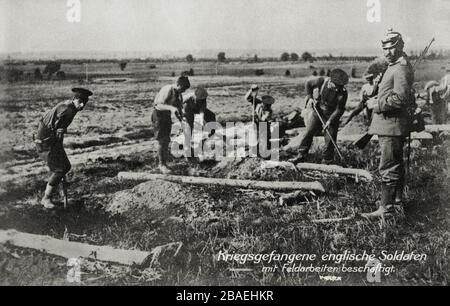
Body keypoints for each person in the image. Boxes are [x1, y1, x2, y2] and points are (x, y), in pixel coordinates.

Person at [363, 29, 415, 217]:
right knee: (395, 164)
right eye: (385, 48)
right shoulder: (395, 66)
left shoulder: (400, 68)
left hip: (392, 125)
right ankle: (397, 202)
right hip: (390, 124)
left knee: (388, 166)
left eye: (392, 47)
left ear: (400, 47)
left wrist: (377, 104)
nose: (388, 52)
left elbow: (400, 99)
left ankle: (386, 208)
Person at [35, 88, 93, 209]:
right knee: (60, 169)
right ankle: (46, 198)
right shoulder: (68, 110)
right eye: (80, 101)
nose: (82, 105)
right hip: (45, 142)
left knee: (66, 166)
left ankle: (59, 194)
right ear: (74, 99)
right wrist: (58, 144)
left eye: (84, 103)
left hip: (51, 140)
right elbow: (57, 130)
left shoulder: (67, 105)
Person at [288, 69, 349, 164]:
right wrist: (310, 97)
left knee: (330, 139)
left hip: (332, 115)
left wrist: (330, 121)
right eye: (336, 86)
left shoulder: (343, 93)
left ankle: (327, 161)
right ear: (331, 81)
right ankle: (301, 155)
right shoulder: (322, 81)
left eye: (340, 86)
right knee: (308, 132)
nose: (338, 89)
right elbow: (308, 83)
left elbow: (339, 110)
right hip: (318, 111)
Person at [151, 76, 190, 174]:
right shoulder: (168, 89)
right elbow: (158, 105)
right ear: (178, 84)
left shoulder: (178, 94)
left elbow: (179, 110)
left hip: (166, 117)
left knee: (166, 140)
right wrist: (172, 108)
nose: (183, 91)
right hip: (158, 116)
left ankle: (164, 163)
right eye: (183, 88)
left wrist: (183, 121)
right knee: (161, 140)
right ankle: (161, 165)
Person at [183, 87, 216, 160]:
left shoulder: (203, 99)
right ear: (195, 97)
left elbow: (202, 111)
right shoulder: (187, 99)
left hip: (197, 109)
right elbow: (179, 107)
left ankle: (209, 137)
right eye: (200, 99)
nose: (202, 100)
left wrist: (203, 122)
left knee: (211, 116)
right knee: (189, 129)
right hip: (187, 110)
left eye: (203, 99)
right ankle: (188, 153)